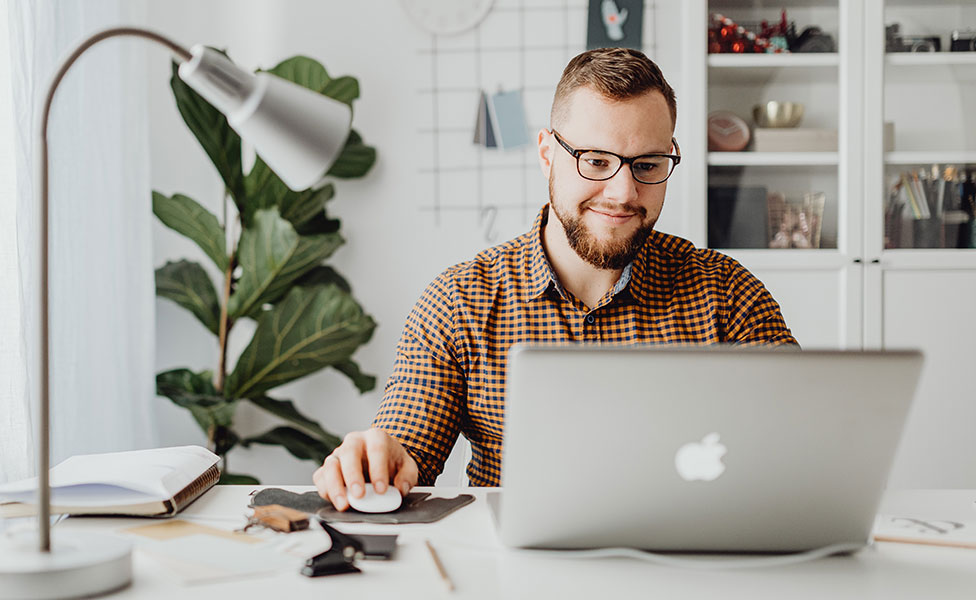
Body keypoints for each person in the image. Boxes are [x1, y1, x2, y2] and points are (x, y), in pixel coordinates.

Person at [312, 47, 798, 511]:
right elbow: (407, 443)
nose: (624, 192)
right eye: (596, 161)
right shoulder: (460, 300)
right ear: (547, 153)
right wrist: (380, 459)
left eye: (648, 165)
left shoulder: (727, 292)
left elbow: (803, 437)